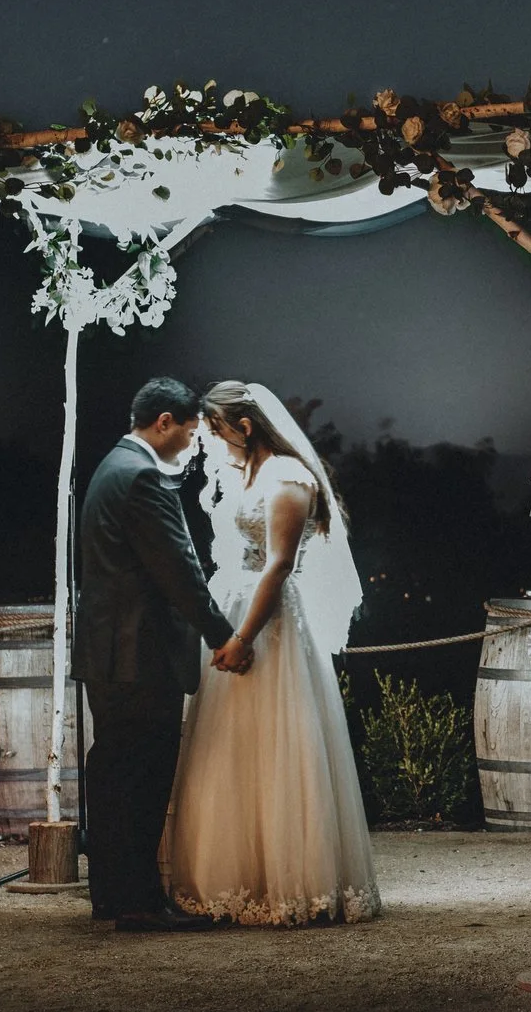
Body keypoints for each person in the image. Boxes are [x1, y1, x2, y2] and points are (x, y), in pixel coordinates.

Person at [164, 381, 380, 926]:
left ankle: (288, 881)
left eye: (217, 430)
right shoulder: (251, 473)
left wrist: (242, 638)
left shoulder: (288, 479)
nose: (213, 441)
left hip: (272, 630)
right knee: (233, 749)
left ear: (244, 426)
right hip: (237, 613)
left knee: (278, 746)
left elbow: (278, 565)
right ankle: (236, 876)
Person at [76, 377, 243, 933]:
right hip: (140, 656)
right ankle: (139, 903)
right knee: (142, 780)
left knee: (112, 774)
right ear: (165, 422)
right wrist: (223, 636)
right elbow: (180, 573)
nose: (196, 444)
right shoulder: (144, 477)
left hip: (108, 652)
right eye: (193, 431)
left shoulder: (109, 467)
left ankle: (112, 894)